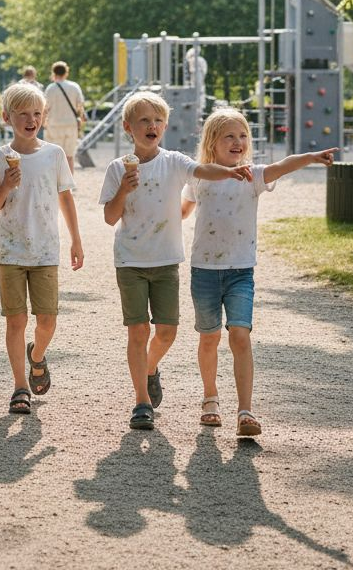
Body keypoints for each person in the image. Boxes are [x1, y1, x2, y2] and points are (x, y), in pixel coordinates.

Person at [98, 91, 252, 431]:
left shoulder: (174, 161)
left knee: (166, 332)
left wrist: (230, 172)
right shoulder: (117, 168)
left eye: (157, 120)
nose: (152, 126)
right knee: (138, 330)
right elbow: (110, 217)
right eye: (144, 121)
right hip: (131, 261)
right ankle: (141, 402)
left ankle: (150, 368)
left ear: (164, 126)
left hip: (166, 260)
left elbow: (202, 169)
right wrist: (124, 189)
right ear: (128, 127)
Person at [181, 109, 337, 437]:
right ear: (212, 142)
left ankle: (245, 411)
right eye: (229, 136)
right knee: (209, 338)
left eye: (242, 137)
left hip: (241, 272)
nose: (238, 142)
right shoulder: (199, 177)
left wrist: (309, 157)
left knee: (240, 336)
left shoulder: (253, 176)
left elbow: (283, 165)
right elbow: (181, 210)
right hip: (205, 271)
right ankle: (210, 399)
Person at [0, 83, 82, 415]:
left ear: (45, 115)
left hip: (45, 250)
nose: (31, 120)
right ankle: (19, 387)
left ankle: (37, 355)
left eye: (37, 113)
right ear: (6, 116)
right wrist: (6, 187)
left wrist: (77, 240)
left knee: (47, 320)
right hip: (10, 250)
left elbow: (66, 198)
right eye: (23, 114)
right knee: (16, 320)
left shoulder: (53, 154)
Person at [43, 61, 85, 172]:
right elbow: (80, 106)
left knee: (54, 156)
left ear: (53, 73)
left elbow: (45, 108)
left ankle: (55, 182)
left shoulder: (50, 88)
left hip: (54, 125)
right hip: (71, 124)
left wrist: (44, 123)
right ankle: (69, 185)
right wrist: (79, 119)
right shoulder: (74, 87)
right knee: (69, 156)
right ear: (66, 73)